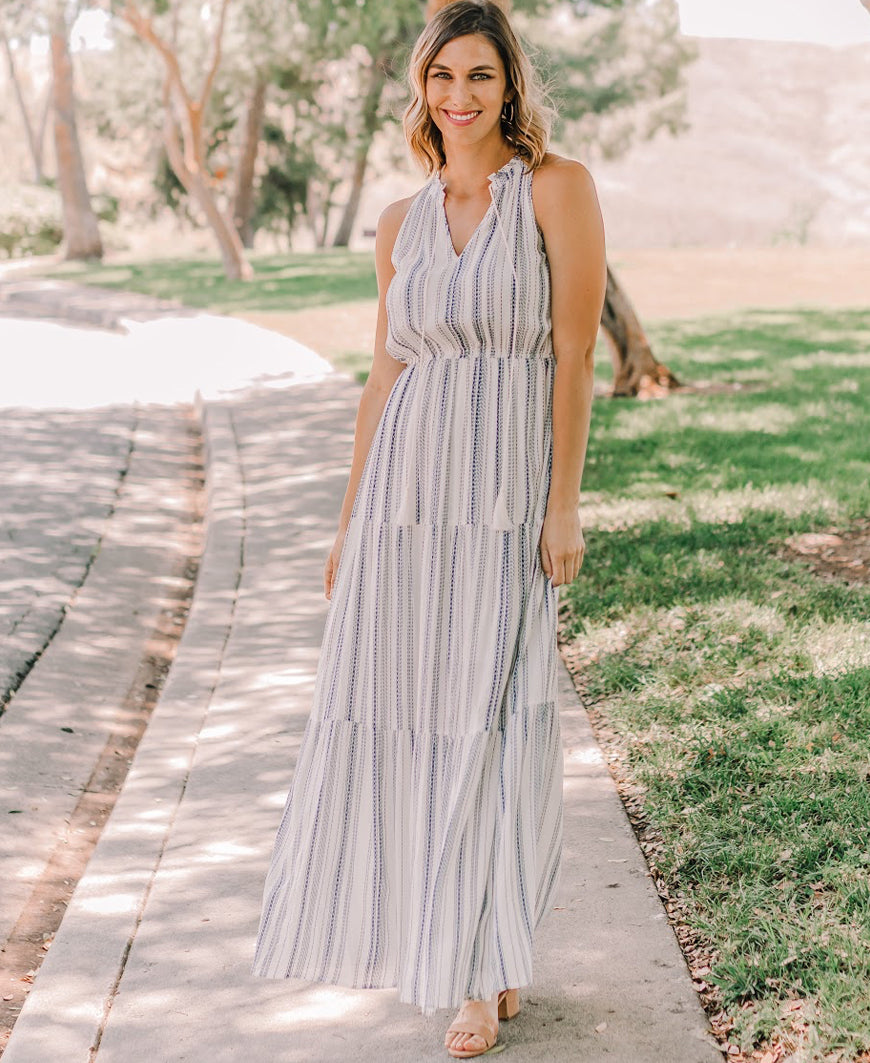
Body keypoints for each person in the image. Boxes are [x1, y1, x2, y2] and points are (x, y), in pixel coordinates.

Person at [251, 0, 606, 1057]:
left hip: (499, 500)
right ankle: (464, 960)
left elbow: (575, 358)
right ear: (422, 88)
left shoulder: (556, 190)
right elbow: (386, 371)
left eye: (480, 79)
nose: (460, 97)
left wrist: (563, 502)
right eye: (443, 77)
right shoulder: (398, 223)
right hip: (404, 507)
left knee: (488, 724)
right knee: (416, 724)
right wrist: (348, 520)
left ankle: (482, 960)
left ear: (510, 89)